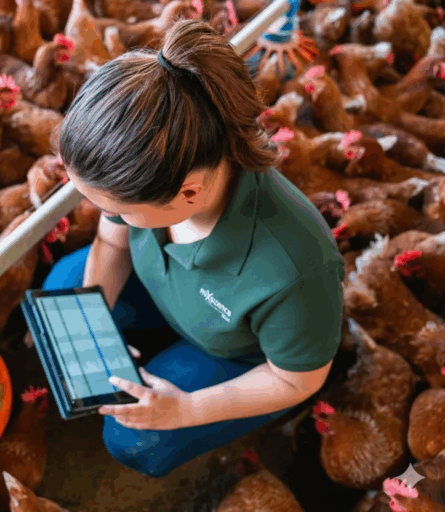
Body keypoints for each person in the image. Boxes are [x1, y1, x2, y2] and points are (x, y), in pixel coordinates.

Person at [43, 20, 345, 478]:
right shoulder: (147, 164)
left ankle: (180, 380)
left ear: (187, 195)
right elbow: (111, 240)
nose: (110, 217)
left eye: (119, 210)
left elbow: (296, 378)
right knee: (63, 292)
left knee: (135, 438)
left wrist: (183, 409)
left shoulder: (296, 269)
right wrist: (92, 330)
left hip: (235, 354)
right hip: (171, 292)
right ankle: (153, 348)